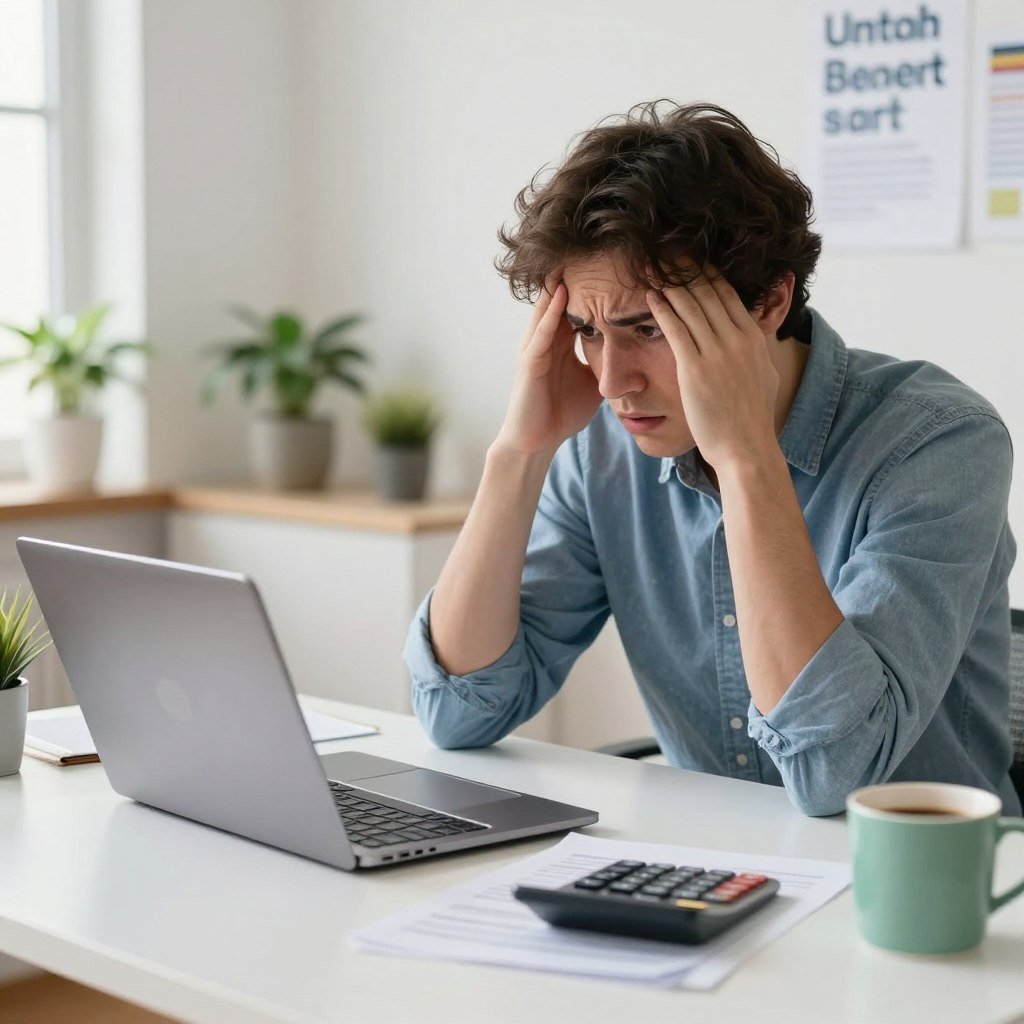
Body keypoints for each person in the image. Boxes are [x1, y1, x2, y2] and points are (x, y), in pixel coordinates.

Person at [403, 100, 1020, 816]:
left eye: (646, 330)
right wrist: (520, 452)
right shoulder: (605, 448)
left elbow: (835, 774)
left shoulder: (938, 442)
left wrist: (747, 457)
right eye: (586, 331)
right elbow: (456, 713)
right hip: (712, 876)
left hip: (927, 898)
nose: (612, 382)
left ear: (767, 304)